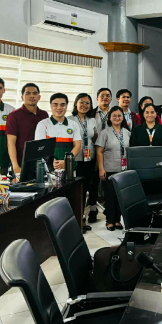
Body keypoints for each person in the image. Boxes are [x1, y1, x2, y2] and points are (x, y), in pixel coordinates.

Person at [96, 106, 131, 231]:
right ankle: (109, 221)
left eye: (119, 115)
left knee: (120, 197)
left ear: (123, 117)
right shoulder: (104, 133)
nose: (117, 118)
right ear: (110, 118)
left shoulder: (127, 132)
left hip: (123, 170)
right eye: (114, 116)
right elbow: (99, 151)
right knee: (110, 196)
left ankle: (117, 220)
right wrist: (101, 168)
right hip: (109, 169)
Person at [68, 93, 99, 228]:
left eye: (87, 103)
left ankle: (85, 214)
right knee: (78, 189)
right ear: (76, 103)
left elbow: (94, 138)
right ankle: (78, 218)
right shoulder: (69, 120)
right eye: (82, 102)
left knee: (88, 186)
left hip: (90, 158)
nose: (84, 105)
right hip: (75, 159)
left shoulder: (92, 120)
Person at [6, 83, 49, 176]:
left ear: (39, 97)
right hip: (21, 163)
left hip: (41, 162)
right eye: (28, 93)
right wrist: (15, 166)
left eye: (35, 93)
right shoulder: (14, 115)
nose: (32, 96)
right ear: (22, 97)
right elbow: (11, 143)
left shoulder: (44, 115)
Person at [35, 93, 82, 171]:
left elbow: (77, 146)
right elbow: (40, 147)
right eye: (55, 105)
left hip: (69, 167)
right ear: (51, 106)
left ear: (67, 106)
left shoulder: (74, 125)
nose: (59, 108)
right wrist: (53, 162)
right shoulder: (43, 124)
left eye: (62, 105)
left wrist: (66, 161)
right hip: (49, 168)